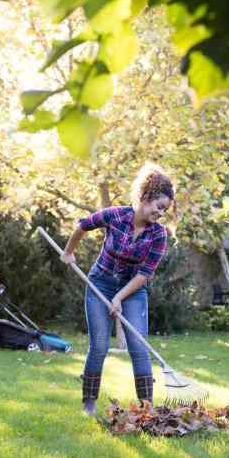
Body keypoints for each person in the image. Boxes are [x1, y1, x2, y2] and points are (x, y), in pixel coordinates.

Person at [60, 163, 174, 415]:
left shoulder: (159, 235)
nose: (161, 213)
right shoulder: (116, 215)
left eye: (165, 210)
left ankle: (147, 409)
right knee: (99, 345)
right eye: (159, 206)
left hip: (132, 289)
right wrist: (69, 252)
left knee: (138, 347)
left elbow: (144, 274)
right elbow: (84, 224)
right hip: (99, 282)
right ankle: (89, 403)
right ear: (146, 197)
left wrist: (120, 297)